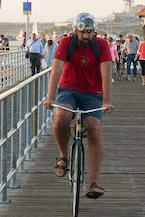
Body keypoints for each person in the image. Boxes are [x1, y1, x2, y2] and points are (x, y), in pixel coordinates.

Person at [44, 12, 114, 199]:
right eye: (82, 32)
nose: (86, 36)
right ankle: (63, 156)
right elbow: (56, 70)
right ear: (75, 31)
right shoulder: (67, 43)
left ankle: (94, 182)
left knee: (94, 128)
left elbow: (106, 73)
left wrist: (106, 101)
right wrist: (50, 98)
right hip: (68, 89)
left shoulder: (102, 45)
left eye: (89, 33)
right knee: (61, 117)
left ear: (94, 32)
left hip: (93, 93)